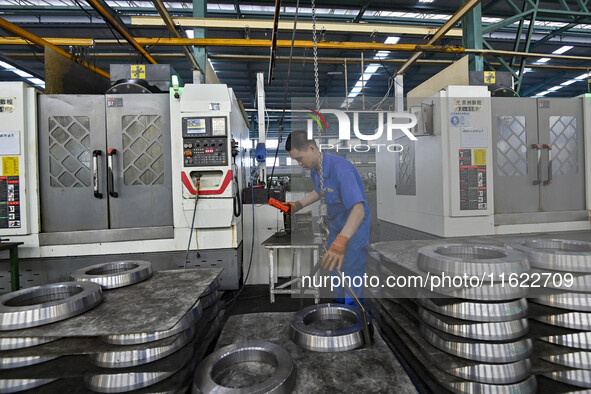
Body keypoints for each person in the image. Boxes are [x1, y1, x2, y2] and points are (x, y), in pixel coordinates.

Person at [285, 130, 371, 304]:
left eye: (300, 158)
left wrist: (342, 240)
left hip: (353, 228)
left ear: (312, 148)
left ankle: (354, 313)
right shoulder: (315, 170)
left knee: (351, 270)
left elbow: (358, 210)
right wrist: (299, 205)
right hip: (336, 226)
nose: (299, 163)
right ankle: (341, 307)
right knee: (335, 268)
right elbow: (320, 190)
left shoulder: (341, 168)